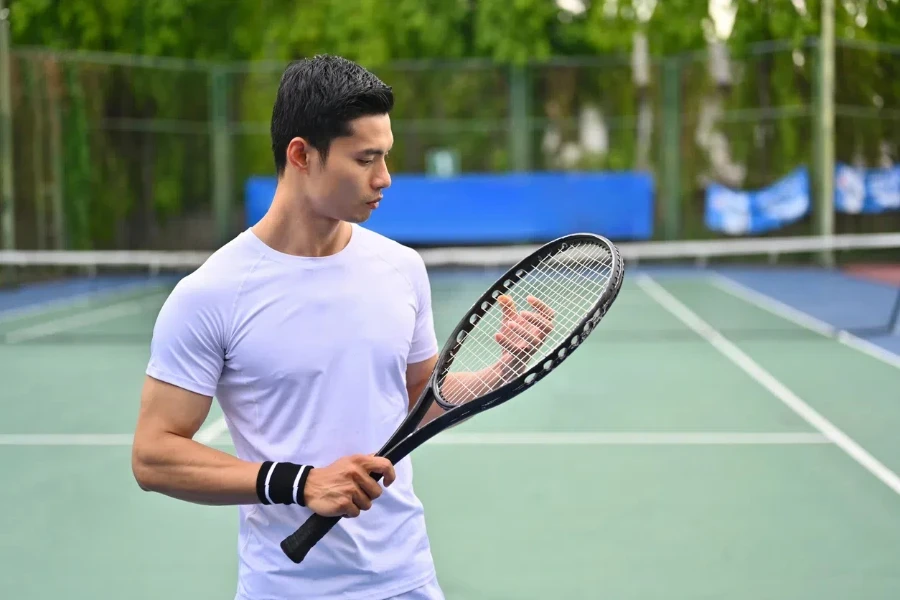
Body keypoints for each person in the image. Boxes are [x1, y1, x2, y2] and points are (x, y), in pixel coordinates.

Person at [131, 54, 551, 600]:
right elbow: (153, 455)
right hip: (285, 589)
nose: (385, 178)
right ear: (302, 155)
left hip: (408, 580)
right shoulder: (211, 294)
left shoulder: (402, 269)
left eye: (386, 156)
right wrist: (301, 483)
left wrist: (504, 366)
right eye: (365, 159)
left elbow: (424, 398)